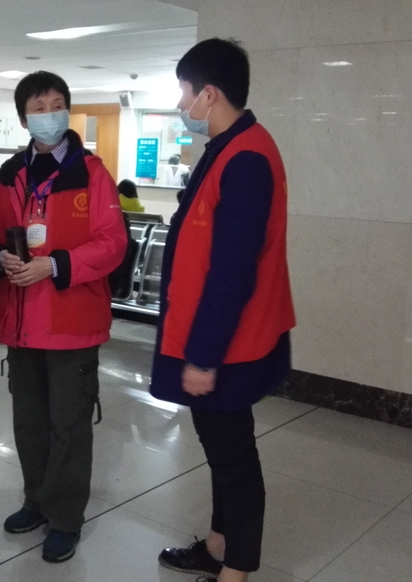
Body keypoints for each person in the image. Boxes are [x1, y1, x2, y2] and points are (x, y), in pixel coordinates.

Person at [150, 38, 295, 582]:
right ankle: (217, 545)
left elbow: (233, 269)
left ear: (208, 94)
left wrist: (204, 356)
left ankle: (236, 571)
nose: (181, 105)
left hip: (228, 343)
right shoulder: (229, 147)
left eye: (184, 92)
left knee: (234, 458)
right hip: (219, 336)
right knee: (221, 448)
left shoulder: (246, 158)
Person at [0, 70, 127, 563]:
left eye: (57, 105)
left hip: (71, 322)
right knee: (29, 422)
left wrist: (55, 265)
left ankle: (64, 517)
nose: (49, 115)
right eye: (38, 108)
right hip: (20, 323)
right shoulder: (8, 177)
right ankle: (36, 500)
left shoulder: (92, 174)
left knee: (69, 425)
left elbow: (112, 242)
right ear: (24, 119)